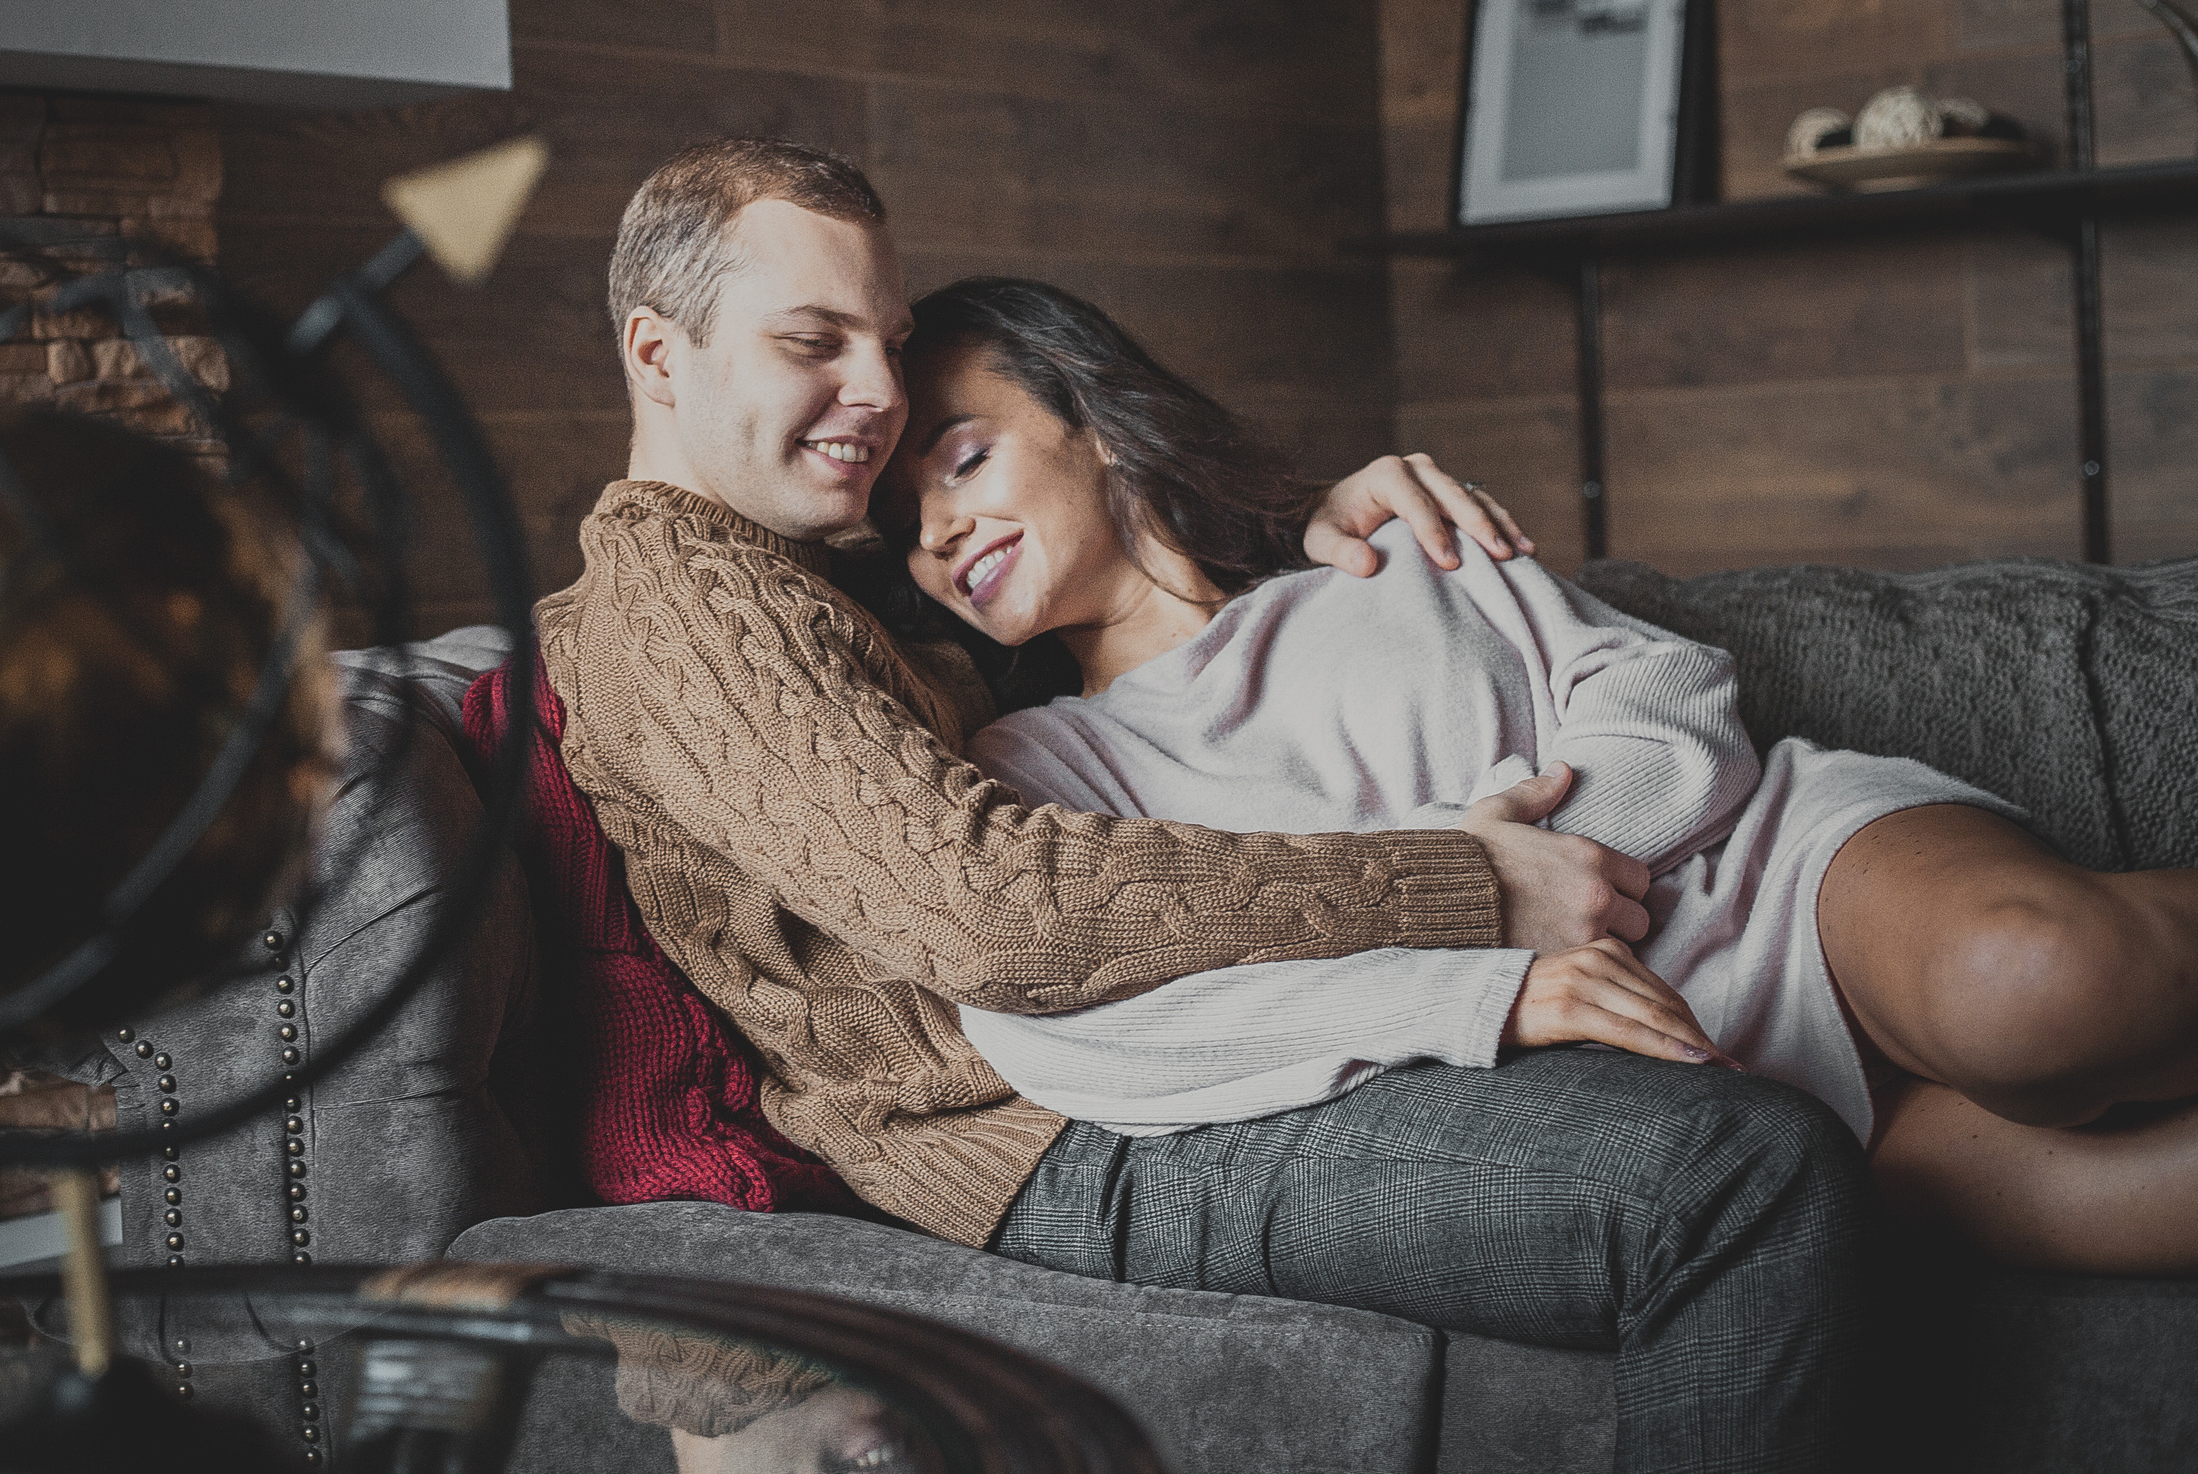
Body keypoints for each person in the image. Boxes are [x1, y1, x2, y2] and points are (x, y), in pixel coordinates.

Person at [541, 136, 1871, 1474]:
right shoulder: (683, 601)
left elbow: (1081, 580)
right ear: (659, 355)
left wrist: (1289, 523)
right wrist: (1464, 888)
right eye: (815, 342)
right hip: (1047, 1133)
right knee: (1736, 1176)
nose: (877, 391)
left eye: (887, 341)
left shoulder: (806, 557)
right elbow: (993, 912)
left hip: (1143, 1048)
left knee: (1754, 1143)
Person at [877, 272, 2198, 1281]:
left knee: (2036, 985)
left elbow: (1667, 694)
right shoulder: (1034, 771)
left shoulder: (1377, 545)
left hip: (1771, 872)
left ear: (1085, 412)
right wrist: (1475, 951)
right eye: (904, 528)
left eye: (963, 457)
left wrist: (1566, 869)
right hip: (1674, 1077)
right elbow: (1050, 1022)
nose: (938, 533)